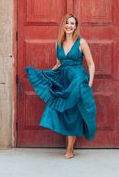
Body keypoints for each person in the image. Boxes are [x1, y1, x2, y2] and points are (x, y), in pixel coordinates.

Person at [25, 13, 96, 159]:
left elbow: (91, 63)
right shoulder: (58, 43)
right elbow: (59, 64)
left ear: (76, 27)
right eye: (67, 23)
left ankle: (70, 150)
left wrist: (89, 84)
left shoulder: (81, 42)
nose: (70, 26)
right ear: (63, 25)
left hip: (77, 81)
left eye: (72, 24)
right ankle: (69, 148)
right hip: (63, 80)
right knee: (59, 108)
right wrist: (46, 76)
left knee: (74, 114)